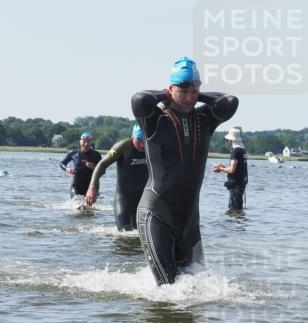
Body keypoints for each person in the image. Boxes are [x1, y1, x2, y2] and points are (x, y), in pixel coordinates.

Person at [131, 56, 238, 285]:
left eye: (195, 91)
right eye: (184, 90)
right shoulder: (154, 119)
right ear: (170, 89)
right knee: (168, 290)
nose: (190, 97)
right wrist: (167, 94)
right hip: (156, 214)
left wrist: (197, 91)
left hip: (189, 220)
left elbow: (230, 101)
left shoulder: (205, 119)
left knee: (196, 286)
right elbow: (139, 99)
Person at [85, 123, 148, 231]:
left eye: (144, 141)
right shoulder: (123, 147)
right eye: (139, 141)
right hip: (124, 199)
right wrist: (92, 186)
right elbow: (102, 164)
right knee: (125, 232)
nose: (142, 145)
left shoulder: (152, 146)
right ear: (132, 137)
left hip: (144, 199)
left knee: (143, 235)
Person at [212, 127, 249, 210]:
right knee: (238, 209)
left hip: (236, 185)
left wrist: (220, 169)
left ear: (231, 140)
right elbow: (238, 169)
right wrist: (224, 168)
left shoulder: (235, 151)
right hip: (241, 183)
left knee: (233, 209)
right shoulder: (242, 151)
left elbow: (232, 169)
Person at [59, 132, 102, 198]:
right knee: (77, 203)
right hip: (76, 185)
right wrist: (67, 169)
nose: (86, 144)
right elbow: (61, 163)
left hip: (91, 186)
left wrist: (94, 167)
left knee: (88, 206)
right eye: (84, 141)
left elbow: (103, 171)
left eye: (88, 141)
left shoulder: (96, 155)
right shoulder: (73, 153)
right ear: (80, 141)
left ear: (91, 142)